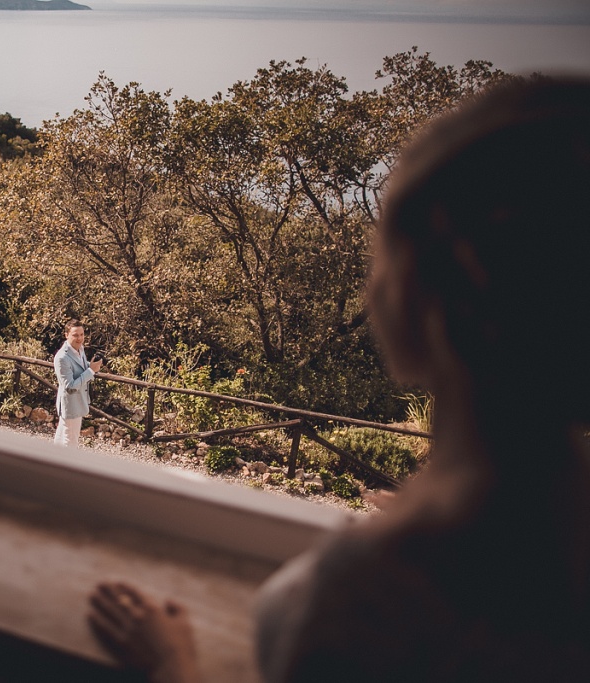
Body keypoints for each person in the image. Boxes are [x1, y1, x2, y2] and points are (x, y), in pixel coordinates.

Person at [88, 77, 590, 681]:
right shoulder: (550, 532)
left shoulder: (376, 595)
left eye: (382, 253)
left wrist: (172, 662)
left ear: (421, 305)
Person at [53, 319, 103, 448]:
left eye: (81, 334)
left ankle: (50, 459)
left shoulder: (80, 348)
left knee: (61, 438)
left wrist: (92, 365)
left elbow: (80, 367)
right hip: (70, 405)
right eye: (75, 335)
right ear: (66, 335)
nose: (79, 338)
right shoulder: (62, 358)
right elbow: (70, 387)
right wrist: (91, 371)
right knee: (70, 442)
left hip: (78, 401)